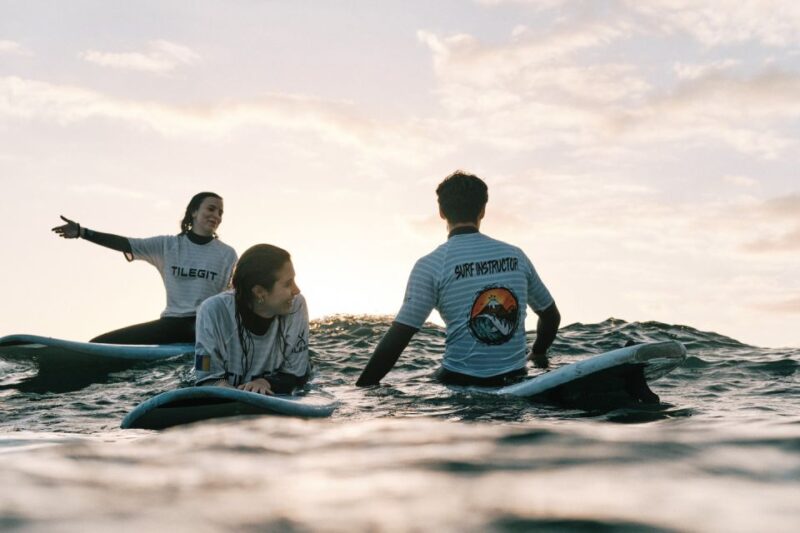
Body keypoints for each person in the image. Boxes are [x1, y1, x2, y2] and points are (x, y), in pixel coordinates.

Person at [357, 171, 560, 388]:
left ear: (442, 212)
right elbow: (551, 317)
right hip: (516, 378)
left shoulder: (431, 264)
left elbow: (399, 336)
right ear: (482, 210)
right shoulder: (516, 256)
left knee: (419, 379)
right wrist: (537, 354)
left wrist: (362, 387)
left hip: (459, 384)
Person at [51, 192, 238, 344]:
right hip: (171, 324)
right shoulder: (168, 245)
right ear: (194, 212)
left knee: (200, 328)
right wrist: (82, 232)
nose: (216, 216)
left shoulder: (227, 255)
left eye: (220, 213)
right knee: (100, 343)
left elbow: (235, 298)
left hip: (205, 326)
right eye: (211, 209)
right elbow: (126, 244)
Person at [194, 244, 311, 395]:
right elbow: (205, 378)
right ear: (259, 292)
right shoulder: (212, 311)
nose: (297, 290)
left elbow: (297, 374)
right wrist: (239, 396)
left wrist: (267, 382)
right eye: (288, 284)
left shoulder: (296, 305)